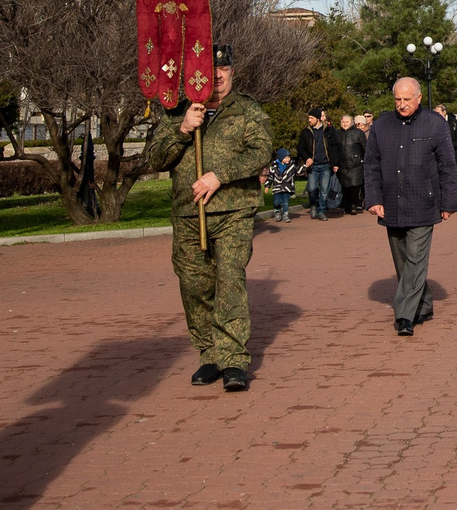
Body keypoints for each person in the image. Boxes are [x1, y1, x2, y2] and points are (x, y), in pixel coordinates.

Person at [137, 43, 273, 389]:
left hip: (233, 211)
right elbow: (155, 159)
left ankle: (233, 359)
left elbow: (261, 151)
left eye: (223, 70)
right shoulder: (177, 113)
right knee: (194, 286)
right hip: (188, 213)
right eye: (208, 71)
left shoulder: (246, 111)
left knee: (229, 280)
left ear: (231, 72)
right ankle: (209, 354)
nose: (216, 76)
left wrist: (220, 174)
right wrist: (183, 130)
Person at [364, 76, 457, 335]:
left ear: (419, 98)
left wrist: (449, 201)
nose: (402, 104)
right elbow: (371, 165)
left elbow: (448, 166)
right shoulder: (381, 126)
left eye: (407, 99)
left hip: (423, 203)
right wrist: (373, 199)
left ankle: (404, 315)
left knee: (416, 259)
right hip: (391, 203)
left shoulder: (435, 124)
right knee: (403, 262)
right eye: (398, 99)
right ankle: (424, 305)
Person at [298, 111, 342, 221]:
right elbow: (300, 148)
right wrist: (307, 158)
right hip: (313, 165)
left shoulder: (329, 130)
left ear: (318, 119)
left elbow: (336, 147)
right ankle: (313, 204)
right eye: (308, 118)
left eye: (311, 118)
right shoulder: (305, 132)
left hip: (326, 165)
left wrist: (335, 163)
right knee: (312, 188)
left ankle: (322, 210)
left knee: (324, 190)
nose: (309, 120)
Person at [334, 113, 366, 221]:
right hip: (342, 163)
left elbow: (365, 147)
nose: (344, 124)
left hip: (355, 163)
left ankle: (354, 205)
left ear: (351, 122)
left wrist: (365, 160)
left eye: (347, 122)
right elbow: (335, 148)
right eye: (343, 122)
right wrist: (335, 163)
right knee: (345, 186)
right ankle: (346, 205)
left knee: (354, 185)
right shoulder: (337, 133)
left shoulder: (358, 133)